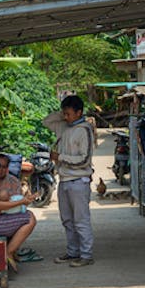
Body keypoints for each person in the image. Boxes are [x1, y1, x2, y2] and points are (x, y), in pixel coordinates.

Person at [43, 95, 96, 267]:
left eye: (69, 113)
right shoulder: (63, 126)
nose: (65, 117)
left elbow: (84, 160)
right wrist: (63, 113)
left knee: (81, 220)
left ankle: (86, 255)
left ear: (79, 112)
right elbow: (46, 121)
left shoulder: (84, 130)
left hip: (79, 181)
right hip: (65, 180)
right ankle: (73, 252)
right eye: (64, 114)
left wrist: (61, 157)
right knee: (67, 220)